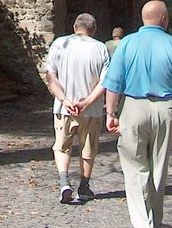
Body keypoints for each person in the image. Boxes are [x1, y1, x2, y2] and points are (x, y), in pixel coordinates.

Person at [104, 0, 172, 228]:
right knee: (159, 166)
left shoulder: (127, 43)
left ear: (143, 18)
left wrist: (110, 113)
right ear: (164, 18)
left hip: (133, 106)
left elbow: (113, 83)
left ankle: (143, 223)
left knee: (134, 167)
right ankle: (154, 220)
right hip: (165, 109)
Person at [45, 13, 111, 204]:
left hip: (64, 108)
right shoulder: (100, 48)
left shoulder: (59, 43)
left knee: (61, 147)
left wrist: (64, 99)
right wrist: (86, 102)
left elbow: (51, 76)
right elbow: (104, 82)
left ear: (75, 27)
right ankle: (84, 186)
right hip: (91, 110)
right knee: (88, 149)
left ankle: (65, 182)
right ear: (94, 29)